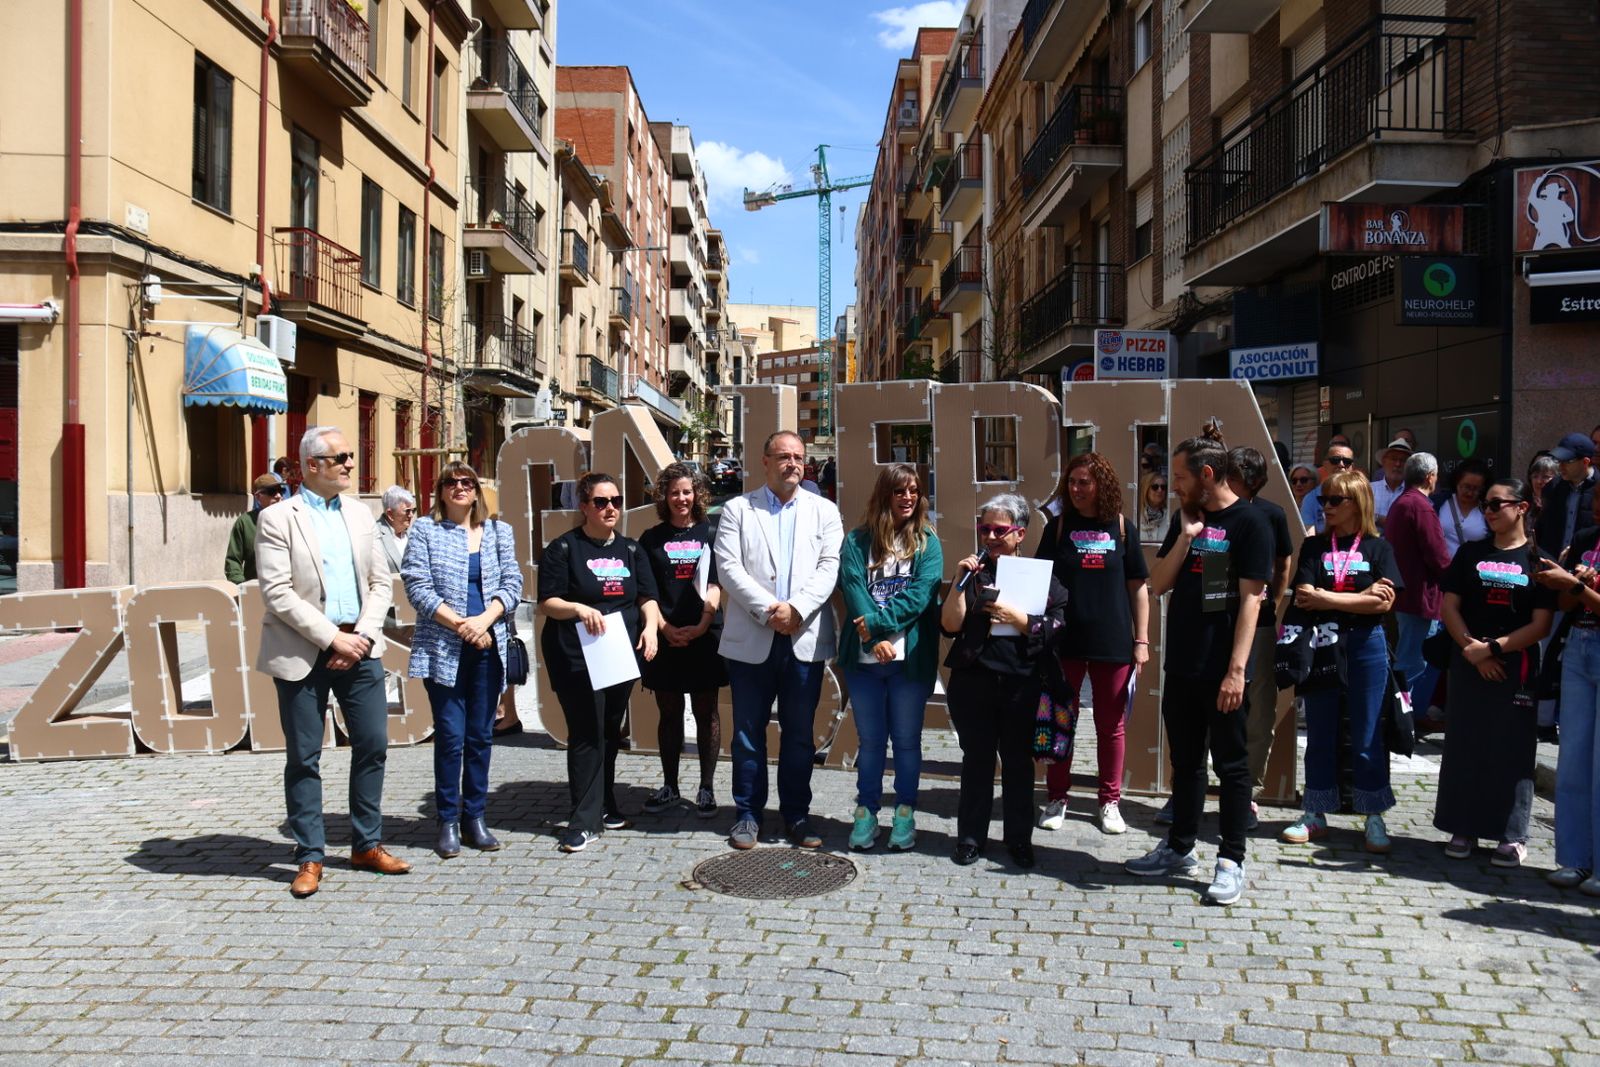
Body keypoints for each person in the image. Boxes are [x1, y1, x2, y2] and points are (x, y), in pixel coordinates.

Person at [254, 426, 406, 898]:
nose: (349, 464)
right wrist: (330, 639)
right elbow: (277, 592)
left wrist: (359, 636)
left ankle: (366, 844)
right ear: (312, 465)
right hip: (303, 650)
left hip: (359, 646)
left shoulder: (361, 515)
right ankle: (309, 856)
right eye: (339, 457)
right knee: (304, 756)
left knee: (373, 743)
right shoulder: (279, 518)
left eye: (350, 456)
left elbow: (382, 584)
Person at [1126, 427, 1271, 907]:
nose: (1175, 485)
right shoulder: (1185, 519)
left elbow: (1251, 601)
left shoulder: (1252, 523)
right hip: (1184, 665)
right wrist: (1186, 537)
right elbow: (1158, 584)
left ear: (1208, 474)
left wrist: (1236, 670)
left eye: (1183, 476)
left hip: (1223, 669)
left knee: (1231, 768)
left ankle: (1231, 859)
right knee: (1185, 765)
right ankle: (1179, 847)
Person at [714, 430, 844, 851]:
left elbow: (829, 568)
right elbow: (729, 568)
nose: (792, 463)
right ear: (764, 461)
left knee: (800, 734)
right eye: (783, 456)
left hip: (803, 639)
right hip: (752, 637)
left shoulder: (824, 512)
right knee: (748, 733)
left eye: (799, 457)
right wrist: (771, 610)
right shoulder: (738, 509)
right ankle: (748, 815)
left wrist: (798, 610)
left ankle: (797, 815)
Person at [400, 463, 520, 859]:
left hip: (489, 645)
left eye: (468, 482)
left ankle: (476, 818)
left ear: (477, 491)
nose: (460, 488)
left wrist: (484, 621)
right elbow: (417, 585)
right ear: (440, 491)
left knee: (480, 737)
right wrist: (461, 625)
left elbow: (513, 583)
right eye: (451, 482)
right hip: (444, 647)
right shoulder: (424, 530)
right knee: (451, 738)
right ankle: (447, 821)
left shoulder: (500, 531)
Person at [537, 472, 662, 853]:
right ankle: (583, 821)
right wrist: (577, 607)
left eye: (617, 501)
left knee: (609, 730)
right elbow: (547, 602)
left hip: (619, 655)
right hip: (576, 656)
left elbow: (647, 597)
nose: (611, 509)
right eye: (601, 502)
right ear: (584, 507)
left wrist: (652, 628)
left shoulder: (631, 550)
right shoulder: (564, 549)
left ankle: (605, 804)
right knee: (587, 733)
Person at [941, 493, 1068, 868]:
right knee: (977, 761)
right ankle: (970, 839)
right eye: (985, 529)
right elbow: (950, 625)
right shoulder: (971, 573)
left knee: (1017, 763)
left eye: (1001, 529)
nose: (991, 536)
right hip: (974, 682)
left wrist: (1018, 617)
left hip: (1023, 682)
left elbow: (1058, 626)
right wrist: (959, 585)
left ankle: (1018, 839)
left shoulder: (1041, 577)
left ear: (1020, 534)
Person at [1433, 479, 1555, 866]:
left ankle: (1512, 833)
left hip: (1514, 665)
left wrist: (1496, 649)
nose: (1487, 510)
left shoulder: (1538, 559)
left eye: (1496, 504)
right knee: (1465, 745)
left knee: (1512, 749)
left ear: (1522, 507)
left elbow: (1541, 625)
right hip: (1470, 660)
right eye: (1485, 504)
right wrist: (1473, 650)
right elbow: (1449, 606)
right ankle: (1462, 825)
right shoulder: (1470, 553)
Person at [1279, 472, 1401, 852]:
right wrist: (1358, 597)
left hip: (1368, 644)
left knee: (1367, 733)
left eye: (1334, 500)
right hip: (1322, 644)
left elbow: (1384, 602)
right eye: (1324, 499)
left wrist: (1327, 598)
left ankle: (1373, 815)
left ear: (1357, 503)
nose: (1325, 506)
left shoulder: (1379, 549)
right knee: (1320, 731)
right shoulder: (1314, 547)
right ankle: (1315, 812)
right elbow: (1302, 595)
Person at [1034, 452, 1149, 836]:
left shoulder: (1122, 528)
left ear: (1103, 485)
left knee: (1111, 725)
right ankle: (1057, 797)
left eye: (1085, 482)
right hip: (1064, 640)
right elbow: (1039, 581)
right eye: (1072, 482)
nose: (1077, 489)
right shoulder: (1058, 527)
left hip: (1113, 640)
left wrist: (1142, 640)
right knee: (1060, 720)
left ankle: (1109, 801)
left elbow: (1139, 589)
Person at [838, 463, 943, 851]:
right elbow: (852, 588)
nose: (908, 497)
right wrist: (872, 641)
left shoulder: (928, 543)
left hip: (909, 662)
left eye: (914, 490)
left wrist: (876, 627)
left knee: (906, 741)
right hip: (865, 663)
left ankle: (904, 813)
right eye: (900, 491)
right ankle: (865, 812)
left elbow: (921, 594)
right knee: (870, 742)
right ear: (885, 495)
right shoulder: (856, 541)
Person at [637, 462, 726, 819]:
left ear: (698, 494)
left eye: (687, 491)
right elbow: (646, 591)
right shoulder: (651, 538)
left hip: (704, 635)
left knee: (707, 713)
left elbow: (718, 583)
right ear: (664, 497)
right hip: (665, 636)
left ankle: (706, 788)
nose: (681, 498)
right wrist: (663, 627)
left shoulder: (712, 533)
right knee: (669, 712)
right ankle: (670, 785)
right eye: (674, 492)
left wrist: (704, 623)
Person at [1533, 487, 1600, 892]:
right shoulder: (1588, 539)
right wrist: (1570, 582)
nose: (1596, 505)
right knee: (1573, 758)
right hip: (1578, 647)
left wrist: (1577, 588)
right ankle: (1574, 859)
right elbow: (1564, 604)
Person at [1228, 447, 1294, 819]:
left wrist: (1275, 599)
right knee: (1208, 702)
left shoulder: (1272, 514)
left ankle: (1247, 790)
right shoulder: (1213, 512)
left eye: (1232, 477)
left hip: (1261, 620)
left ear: (1251, 481)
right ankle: (1190, 784)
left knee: (1259, 707)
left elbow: (1283, 561)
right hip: (1218, 618)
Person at [1386, 452, 1455, 733]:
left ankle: (1406, 715)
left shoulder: (1402, 503)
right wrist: (1456, 581)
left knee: (1412, 657)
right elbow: (1437, 554)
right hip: (1419, 597)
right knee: (1415, 661)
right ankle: (1402, 718)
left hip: (1409, 595)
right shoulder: (1420, 506)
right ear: (1430, 476)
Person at [1535, 433, 1597, 559]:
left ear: (1585, 462)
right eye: (1559, 460)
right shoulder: (1552, 488)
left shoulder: (1598, 489)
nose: (1560, 466)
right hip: (1551, 564)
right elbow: (1543, 527)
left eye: (1567, 461)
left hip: (1586, 566)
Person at [224, 474, 285, 583]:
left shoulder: (291, 520)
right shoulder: (244, 523)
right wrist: (243, 585)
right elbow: (233, 561)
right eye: (272, 492)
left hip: (287, 589)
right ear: (258, 496)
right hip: (256, 591)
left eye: (281, 491)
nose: (278, 496)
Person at [1437, 459, 1490, 559]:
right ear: (1457, 482)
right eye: (1466, 487)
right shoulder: (1439, 503)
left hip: (1474, 570)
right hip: (1442, 570)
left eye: (1475, 489)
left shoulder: (1487, 510)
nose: (1470, 493)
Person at [1300, 442, 1357, 533]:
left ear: (1352, 467)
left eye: (1347, 461)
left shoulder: (1361, 495)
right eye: (1335, 460)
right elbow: (1309, 534)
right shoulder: (1311, 499)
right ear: (1325, 465)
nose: (1341, 465)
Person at [1371, 437, 1413, 524]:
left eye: (1403, 460)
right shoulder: (1369, 489)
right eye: (1393, 459)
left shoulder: (1415, 494)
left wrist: (1376, 518)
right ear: (1383, 462)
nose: (1398, 464)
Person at [376, 485, 416, 575]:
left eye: (413, 510)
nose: (411, 515)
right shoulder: (374, 535)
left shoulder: (414, 533)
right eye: (407, 511)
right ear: (390, 514)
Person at [1137, 470, 1169, 542]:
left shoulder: (1169, 517)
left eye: (1163, 487)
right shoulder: (1137, 516)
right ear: (1146, 490)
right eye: (1155, 487)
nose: (1160, 490)